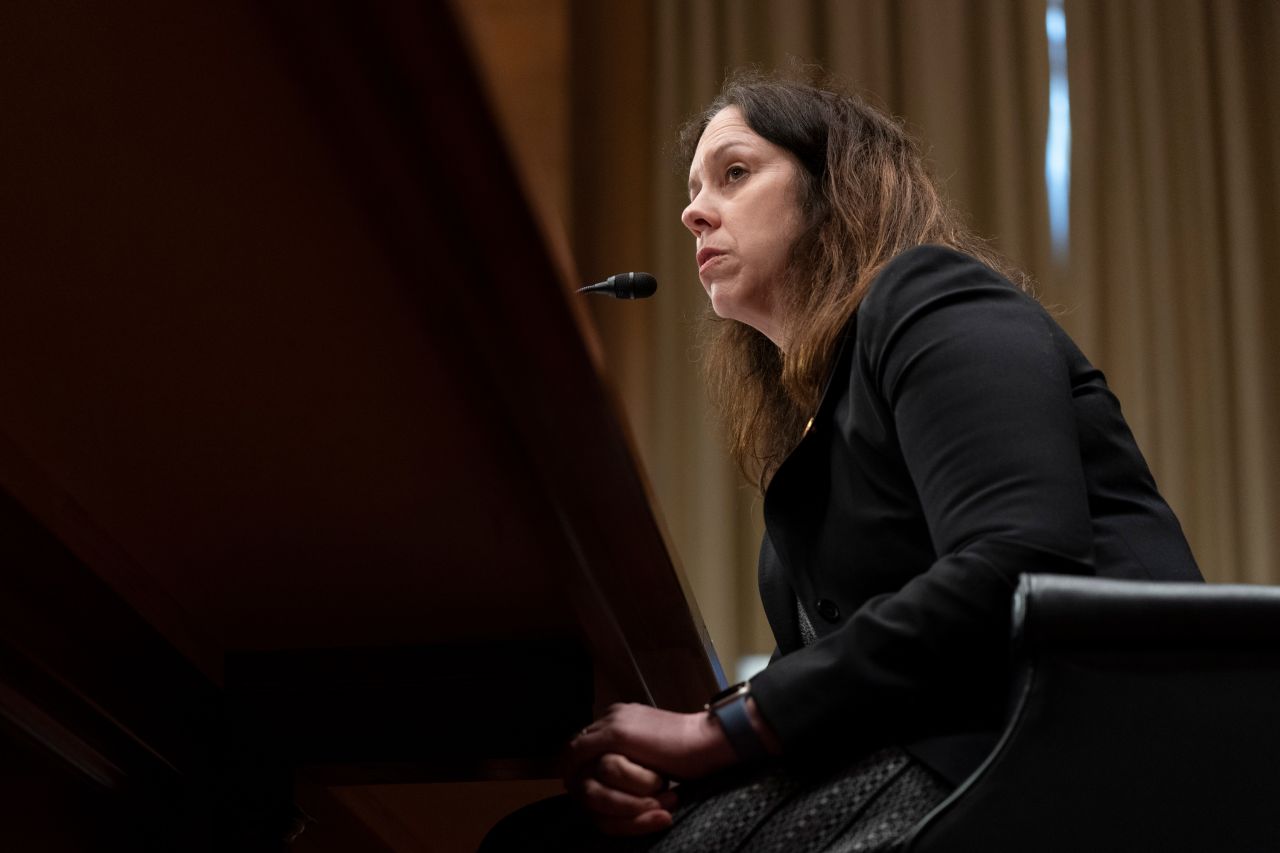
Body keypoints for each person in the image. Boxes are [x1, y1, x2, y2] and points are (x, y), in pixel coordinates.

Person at [483, 70, 1202, 852]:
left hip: (1069, 752)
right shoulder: (818, 418)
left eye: (734, 172)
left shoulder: (937, 297)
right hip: (950, 748)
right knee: (543, 837)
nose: (692, 211)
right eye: (693, 189)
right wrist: (673, 761)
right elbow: (841, 680)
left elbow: (1019, 563)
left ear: (834, 188)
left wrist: (724, 727)